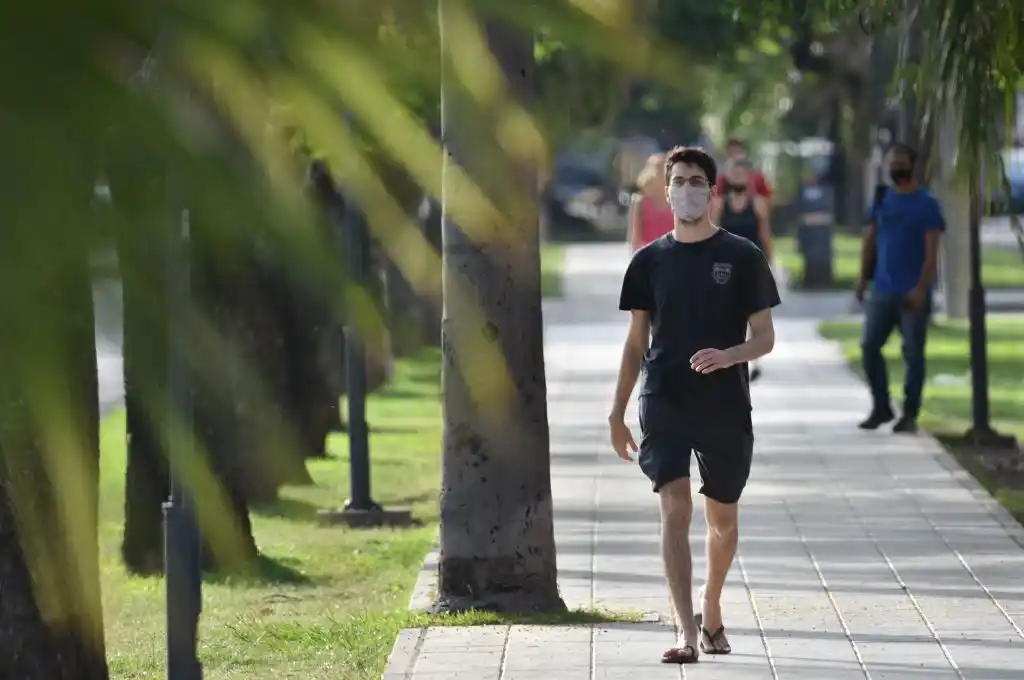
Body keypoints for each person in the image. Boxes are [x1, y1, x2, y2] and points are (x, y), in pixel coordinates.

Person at [609, 146, 781, 664]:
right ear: (666, 191)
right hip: (664, 395)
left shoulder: (742, 256)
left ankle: (711, 603)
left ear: (711, 190)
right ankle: (686, 630)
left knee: (722, 520)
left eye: (696, 181)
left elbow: (765, 336)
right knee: (675, 507)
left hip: (724, 402)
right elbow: (635, 343)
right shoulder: (648, 261)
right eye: (678, 181)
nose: (687, 189)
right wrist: (617, 412)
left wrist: (730, 355)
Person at [855, 143, 944, 433]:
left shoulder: (927, 204)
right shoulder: (882, 198)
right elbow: (870, 240)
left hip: (912, 292)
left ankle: (910, 413)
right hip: (882, 288)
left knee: (913, 354)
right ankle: (881, 406)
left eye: (901, 163)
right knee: (869, 346)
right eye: (892, 163)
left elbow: (931, 253)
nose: (896, 168)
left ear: (912, 165)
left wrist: (921, 288)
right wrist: (862, 279)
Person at [711, 160, 776, 380]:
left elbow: (765, 234)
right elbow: (713, 233)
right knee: (728, 313)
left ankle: (753, 362)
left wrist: (771, 263)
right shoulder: (720, 204)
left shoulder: (757, 203)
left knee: (753, 314)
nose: (738, 177)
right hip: (726, 266)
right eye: (734, 173)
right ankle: (729, 357)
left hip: (752, 264)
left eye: (742, 173)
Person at [627, 153, 674, 251]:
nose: (662, 172)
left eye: (666, 168)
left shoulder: (676, 200)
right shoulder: (640, 201)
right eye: (658, 168)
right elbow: (634, 236)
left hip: (672, 253)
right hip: (648, 254)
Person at [716, 138, 773, 205]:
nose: (735, 156)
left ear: (745, 154)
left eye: (737, 152)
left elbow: (768, 201)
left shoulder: (757, 177)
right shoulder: (722, 178)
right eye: (731, 153)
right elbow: (715, 201)